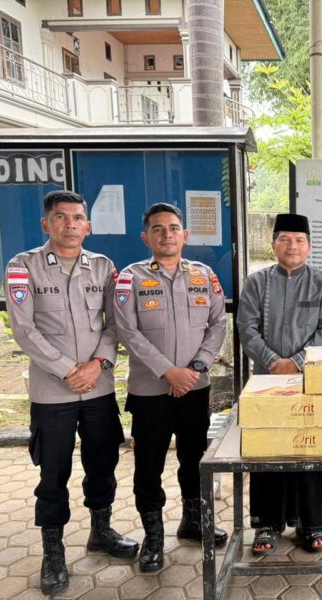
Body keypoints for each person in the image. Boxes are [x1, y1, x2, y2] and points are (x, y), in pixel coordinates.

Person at [5, 190, 138, 595]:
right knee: (53, 474)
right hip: (52, 392)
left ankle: (101, 531)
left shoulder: (103, 268)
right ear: (46, 224)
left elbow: (116, 323)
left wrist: (96, 365)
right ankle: (53, 553)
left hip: (97, 388)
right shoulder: (22, 267)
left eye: (77, 218)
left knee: (103, 463)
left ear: (88, 225)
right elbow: (24, 330)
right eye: (61, 218)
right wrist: (68, 370)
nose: (70, 225)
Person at [114, 203, 228, 573]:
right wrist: (168, 372)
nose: (167, 234)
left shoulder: (204, 274)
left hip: (195, 386)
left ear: (185, 236)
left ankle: (193, 522)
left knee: (194, 459)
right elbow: (127, 332)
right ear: (146, 236)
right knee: (148, 465)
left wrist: (194, 369)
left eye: (173, 228)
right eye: (158, 229)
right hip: (150, 392)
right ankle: (154, 537)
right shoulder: (130, 278)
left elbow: (217, 324)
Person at [236, 213, 322, 556]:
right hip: (266, 381)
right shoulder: (257, 282)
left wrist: (294, 363)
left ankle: (313, 524)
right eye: (284, 239)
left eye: (299, 240)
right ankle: (268, 523)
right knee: (269, 445)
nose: (292, 246)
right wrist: (272, 361)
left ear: (308, 247)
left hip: (310, 378)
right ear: (273, 244)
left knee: (311, 445)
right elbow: (246, 327)